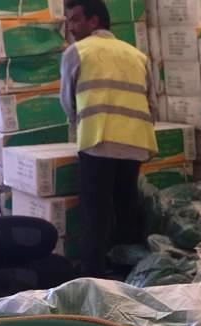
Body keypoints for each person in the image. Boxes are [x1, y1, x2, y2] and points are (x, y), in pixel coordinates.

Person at [59, 0, 158, 279]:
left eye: (75, 19)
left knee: (95, 213)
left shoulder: (77, 52)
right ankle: (129, 273)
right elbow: (152, 104)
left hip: (98, 141)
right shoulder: (137, 55)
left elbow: (67, 102)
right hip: (135, 143)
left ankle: (93, 278)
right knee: (126, 209)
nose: (71, 27)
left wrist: (82, 122)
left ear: (94, 21)